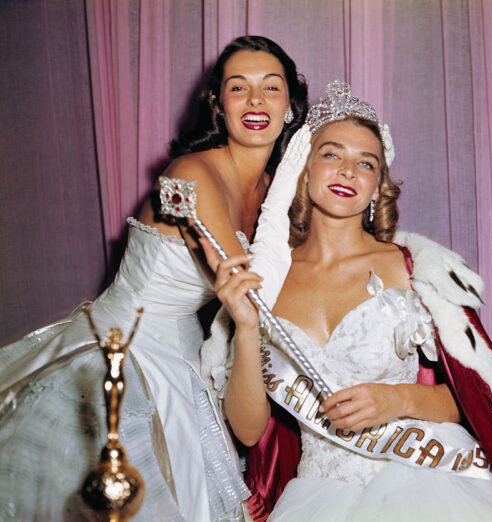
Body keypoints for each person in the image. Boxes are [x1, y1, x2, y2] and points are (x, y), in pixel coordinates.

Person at [208, 81, 492, 521]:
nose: (348, 171)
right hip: (316, 498)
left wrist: (396, 400)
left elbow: (475, 401)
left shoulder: (411, 268)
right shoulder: (266, 279)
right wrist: (247, 326)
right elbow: (250, 431)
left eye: (365, 164)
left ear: (376, 188)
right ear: (304, 170)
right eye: (332, 154)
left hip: (427, 485)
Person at [0, 35, 308, 522]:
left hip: (185, 356)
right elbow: (260, 296)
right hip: (126, 348)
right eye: (238, 87)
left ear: (290, 104)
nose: (255, 101)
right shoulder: (191, 173)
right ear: (217, 104)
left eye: (271, 88)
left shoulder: (273, 191)